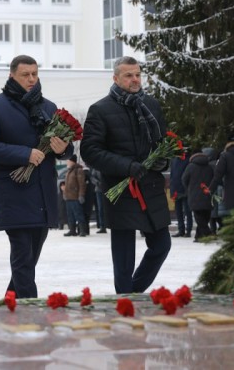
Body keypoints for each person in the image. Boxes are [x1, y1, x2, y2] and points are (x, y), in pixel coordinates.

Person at [0, 55, 72, 298]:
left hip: (43, 195)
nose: (31, 79)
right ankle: (30, 311)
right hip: (14, 193)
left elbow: (65, 148)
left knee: (28, 261)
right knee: (23, 258)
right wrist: (25, 154)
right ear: (12, 75)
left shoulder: (48, 107)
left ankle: (12, 301)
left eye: (34, 74)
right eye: (25, 75)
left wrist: (64, 149)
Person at [80, 56, 171, 295]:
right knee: (124, 255)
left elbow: (162, 142)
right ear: (116, 78)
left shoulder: (151, 105)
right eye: (129, 75)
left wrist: (162, 160)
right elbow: (90, 151)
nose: (135, 80)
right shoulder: (100, 109)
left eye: (138, 75)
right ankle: (124, 297)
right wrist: (126, 166)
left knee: (162, 245)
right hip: (120, 188)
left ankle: (132, 291)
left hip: (150, 186)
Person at [181, 148, 214, 241]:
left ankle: (208, 232)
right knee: (205, 215)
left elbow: (184, 179)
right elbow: (213, 179)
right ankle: (198, 236)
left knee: (198, 216)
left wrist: (189, 188)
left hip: (194, 195)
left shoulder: (190, 166)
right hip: (207, 193)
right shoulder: (209, 167)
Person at [62, 155, 87, 237]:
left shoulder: (78, 170)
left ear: (72, 161)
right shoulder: (69, 171)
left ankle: (82, 230)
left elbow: (82, 184)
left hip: (75, 197)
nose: (67, 162)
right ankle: (72, 230)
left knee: (79, 214)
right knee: (70, 215)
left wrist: (81, 195)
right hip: (68, 197)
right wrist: (64, 194)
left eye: (68, 160)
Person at [169, 155, 192, 238]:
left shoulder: (188, 160)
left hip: (185, 189)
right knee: (178, 211)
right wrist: (172, 189)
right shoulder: (174, 160)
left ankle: (188, 230)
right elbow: (172, 176)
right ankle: (181, 230)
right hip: (176, 189)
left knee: (187, 211)